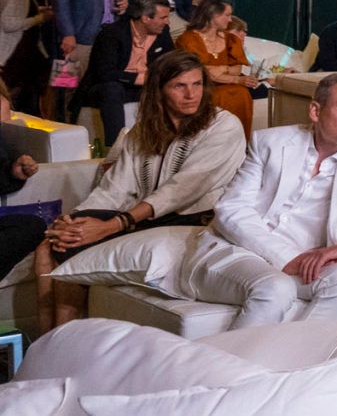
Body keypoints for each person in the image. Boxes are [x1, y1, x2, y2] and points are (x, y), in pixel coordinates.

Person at [5, 51, 249, 331]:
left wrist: (113, 225)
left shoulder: (223, 126)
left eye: (197, 84)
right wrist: (73, 220)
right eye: (179, 86)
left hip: (193, 219)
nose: (191, 94)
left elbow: (181, 191)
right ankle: (48, 342)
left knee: (70, 248)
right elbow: (115, 188)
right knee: (52, 244)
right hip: (145, 217)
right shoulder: (144, 131)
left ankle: (65, 344)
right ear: (159, 90)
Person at [180, 73, 337, 325]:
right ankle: (234, 365)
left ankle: (301, 354)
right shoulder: (270, 144)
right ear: (315, 111)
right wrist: (285, 257)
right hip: (239, 251)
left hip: (308, 261)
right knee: (275, 288)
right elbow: (231, 209)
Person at [72, 0, 175, 150]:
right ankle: (115, 148)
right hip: (108, 87)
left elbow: (170, 62)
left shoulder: (163, 32)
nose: (167, 22)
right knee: (111, 89)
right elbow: (104, 73)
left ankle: (171, 143)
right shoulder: (112, 34)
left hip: (144, 87)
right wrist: (139, 78)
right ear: (146, 18)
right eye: (163, 17)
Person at [175, 0, 261, 132]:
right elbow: (200, 72)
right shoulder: (189, 39)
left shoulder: (231, 39)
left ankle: (240, 144)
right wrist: (236, 79)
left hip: (230, 85)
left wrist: (222, 68)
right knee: (218, 94)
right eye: (227, 15)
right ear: (213, 15)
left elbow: (236, 69)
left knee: (241, 93)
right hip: (199, 86)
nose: (230, 19)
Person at [0, 0, 47, 88]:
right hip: (16, 54)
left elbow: (19, 12)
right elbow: (9, 24)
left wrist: (39, 11)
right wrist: (40, 18)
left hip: (22, 52)